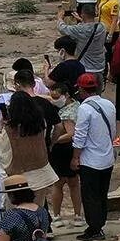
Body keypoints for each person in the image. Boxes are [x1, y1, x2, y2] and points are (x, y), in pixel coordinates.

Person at [72, 73, 117, 241]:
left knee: (90, 195)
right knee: (102, 194)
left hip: (90, 160)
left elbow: (80, 136)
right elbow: (112, 131)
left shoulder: (84, 108)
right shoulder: (108, 104)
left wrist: (75, 157)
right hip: (107, 157)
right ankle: (99, 223)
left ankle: (94, 227)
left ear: (82, 90)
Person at [47, 80, 82, 227]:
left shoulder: (67, 113)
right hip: (72, 149)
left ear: (65, 95)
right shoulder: (77, 106)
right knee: (72, 183)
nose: (54, 100)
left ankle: (57, 216)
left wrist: (53, 141)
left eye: (56, 97)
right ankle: (77, 215)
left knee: (59, 184)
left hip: (63, 149)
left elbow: (70, 134)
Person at [58, 3, 110, 75]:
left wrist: (60, 18)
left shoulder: (80, 29)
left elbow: (63, 29)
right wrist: (81, 20)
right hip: (100, 66)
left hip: (86, 68)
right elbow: (91, 27)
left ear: (83, 14)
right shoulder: (102, 27)